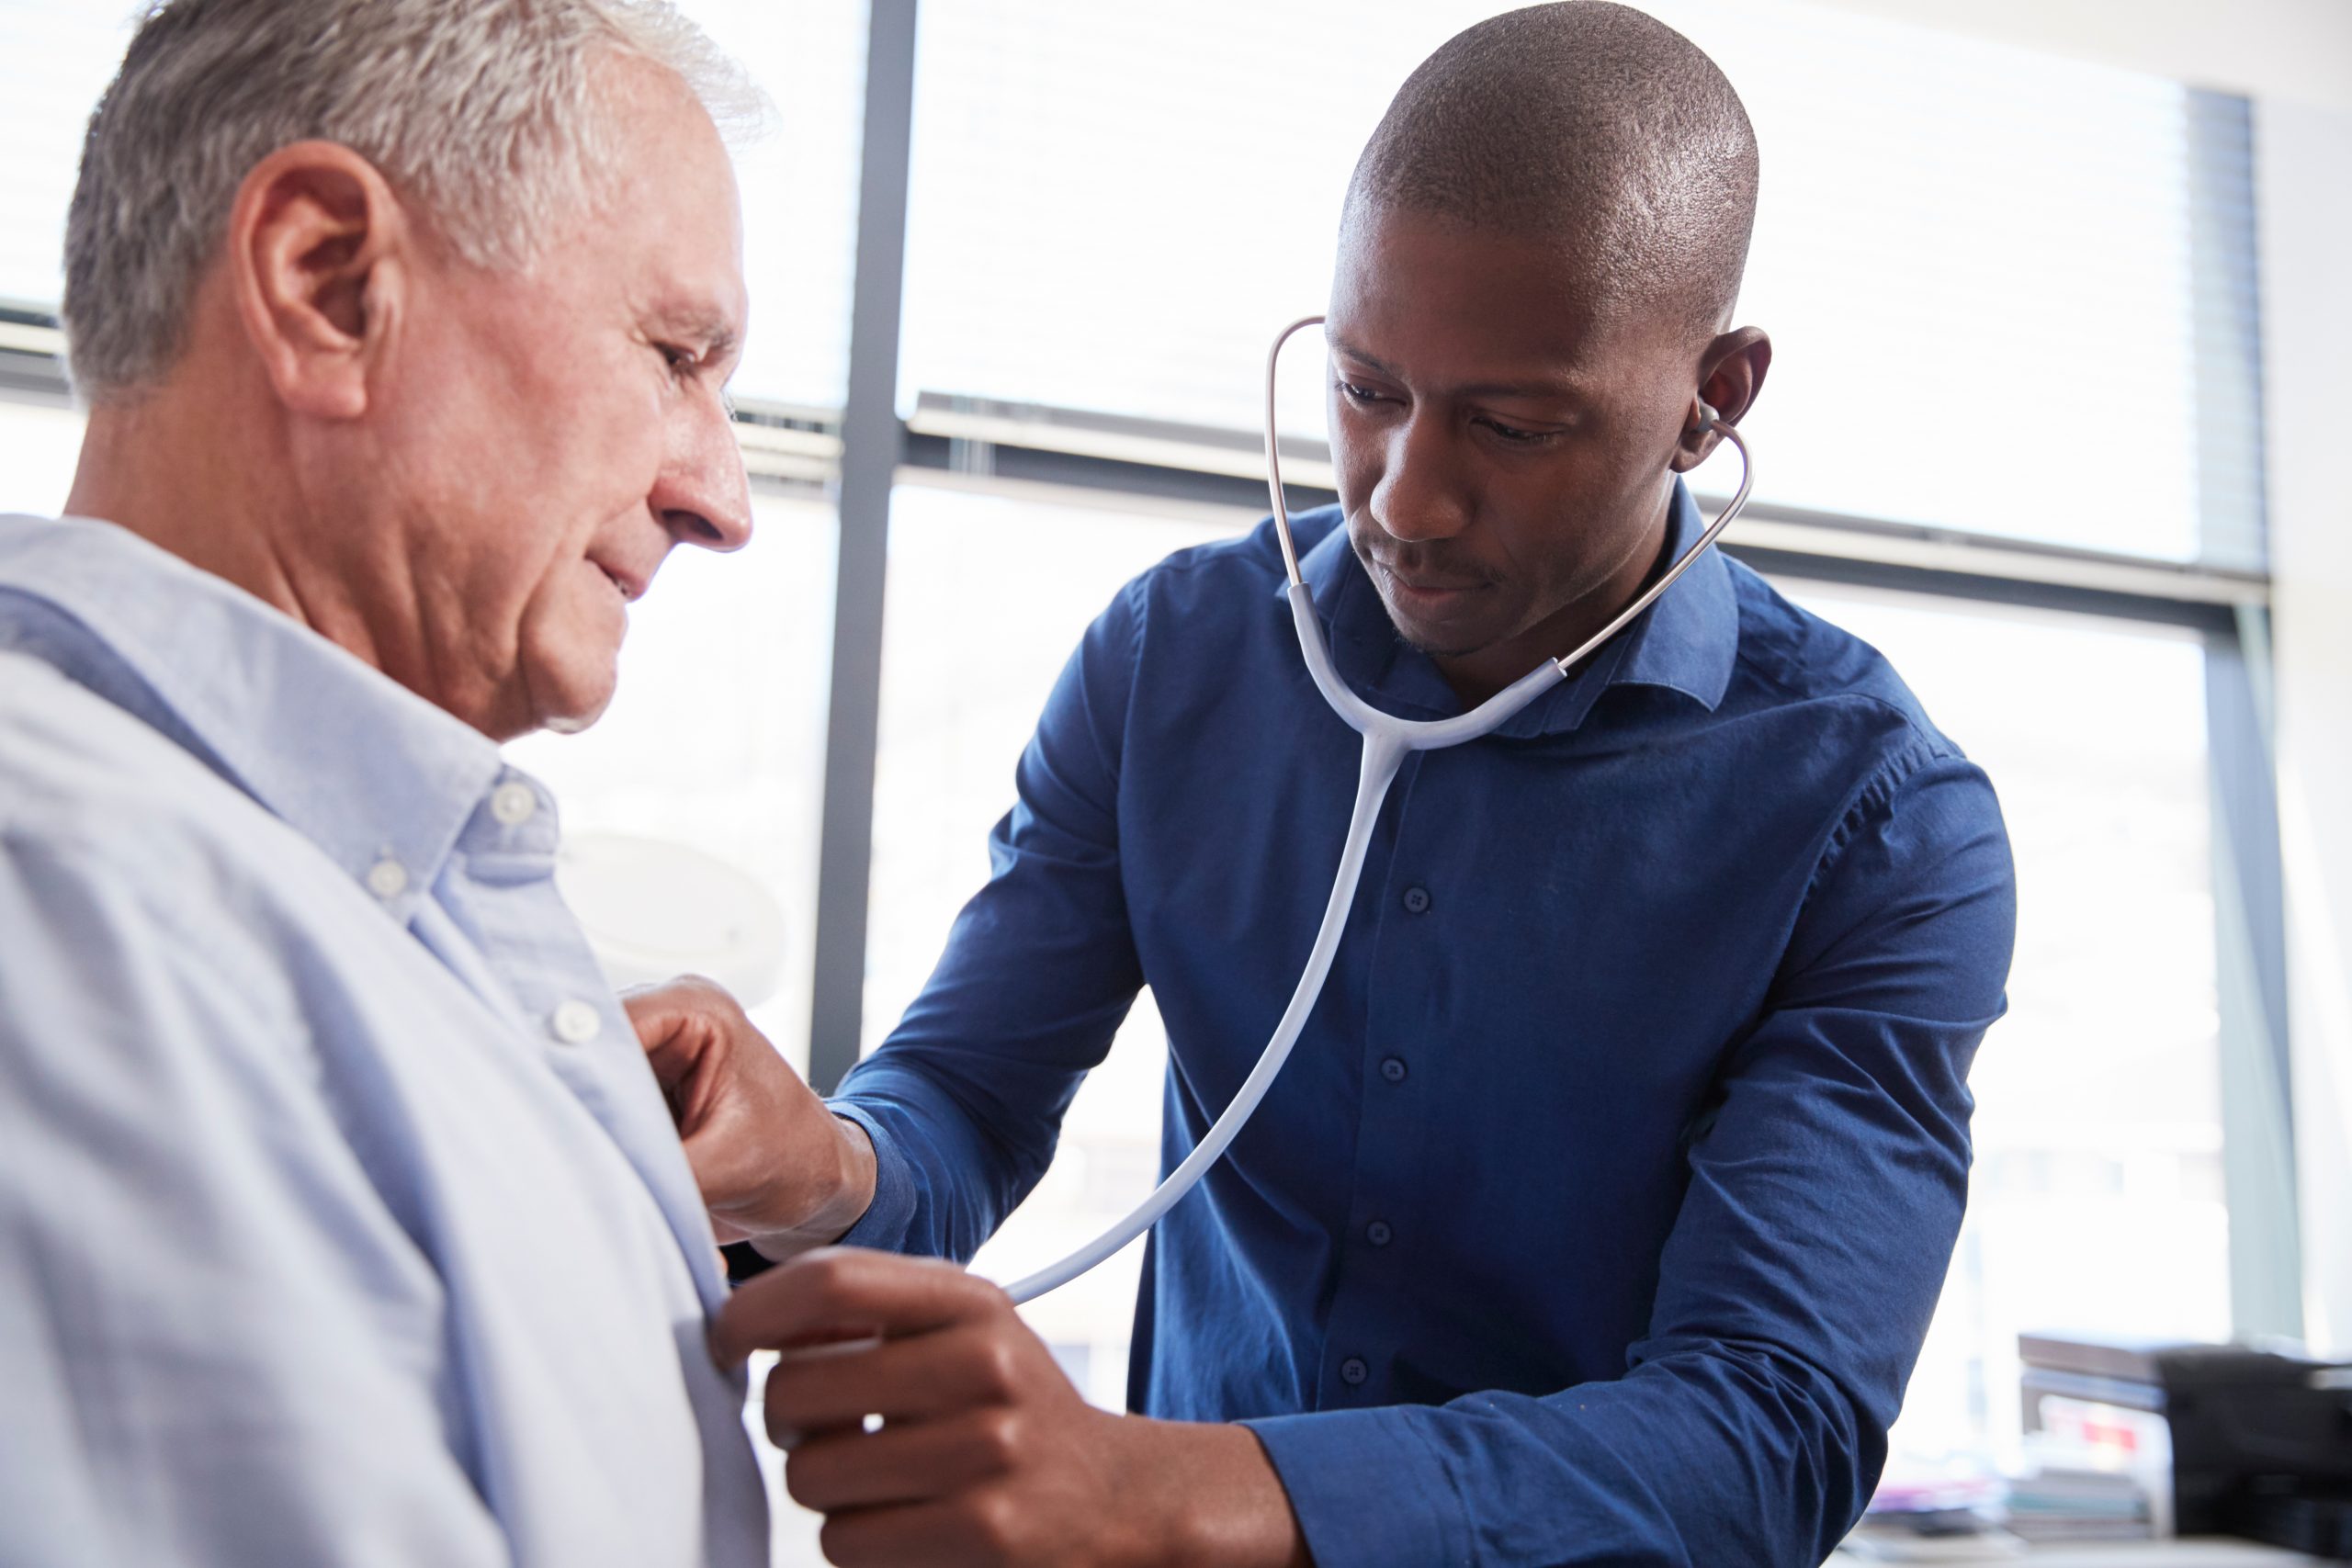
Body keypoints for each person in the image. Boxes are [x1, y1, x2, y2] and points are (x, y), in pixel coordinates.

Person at [636, 5, 2018, 1564]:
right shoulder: (1177, 659)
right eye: (1368, 390)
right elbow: (958, 1110)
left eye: (1514, 422)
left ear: (1717, 395)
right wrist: (811, 1157)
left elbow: (1770, 1431)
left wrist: (1166, 1489)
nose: (1408, 496)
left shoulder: (1882, 825)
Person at [0, 3, 771, 1563]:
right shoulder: (68, 915)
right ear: (326, 287)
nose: (721, 498)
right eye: (675, 355)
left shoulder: (348, 902)